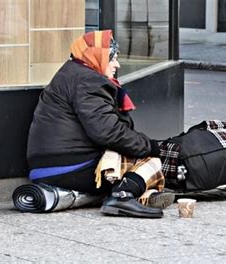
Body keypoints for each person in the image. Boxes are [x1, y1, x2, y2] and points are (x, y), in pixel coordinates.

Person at [26, 30, 174, 218]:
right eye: (112, 58)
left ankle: (145, 195)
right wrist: (150, 146)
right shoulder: (88, 80)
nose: (117, 64)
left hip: (49, 165)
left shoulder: (74, 73)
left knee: (130, 159)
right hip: (69, 166)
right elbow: (107, 132)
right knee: (151, 162)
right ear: (99, 56)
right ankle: (122, 196)